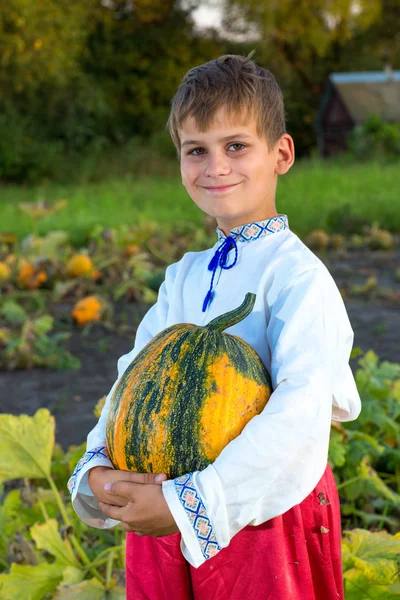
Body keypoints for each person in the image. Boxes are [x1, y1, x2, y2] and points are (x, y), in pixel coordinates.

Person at [68, 51, 361, 599]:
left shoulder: (299, 278)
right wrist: (100, 467)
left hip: (257, 513)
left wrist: (193, 504)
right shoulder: (183, 276)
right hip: (163, 502)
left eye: (236, 146)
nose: (215, 166)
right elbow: (132, 381)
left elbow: (298, 417)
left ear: (281, 153)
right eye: (196, 150)